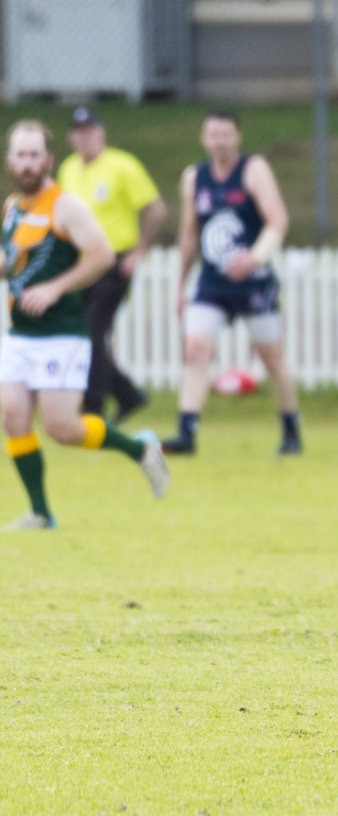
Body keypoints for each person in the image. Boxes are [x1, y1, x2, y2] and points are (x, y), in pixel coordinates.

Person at [1, 120, 169, 529]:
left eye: (34, 155)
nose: (27, 164)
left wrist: (56, 288)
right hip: (20, 333)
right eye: (20, 155)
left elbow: (101, 256)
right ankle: (41, 513)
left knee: (62, 428)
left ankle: (139, 448)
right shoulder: (12, 207)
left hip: (62, 333)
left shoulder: (65, 206)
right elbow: (13, 262)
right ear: (10, 160)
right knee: (12, 417)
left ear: (48, 160)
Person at [162, 110, 300, 456]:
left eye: (226, 134)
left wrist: (254, 258)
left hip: (254, 281)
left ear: (237, 136)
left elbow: (278, 221)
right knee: (195, 349)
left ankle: (290, 428)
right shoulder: (194, 178)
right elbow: (188, 234)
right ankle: (186, 432)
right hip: (212, 281)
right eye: (213, 134)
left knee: (271, 355)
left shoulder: (254, 170)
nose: (220, 141)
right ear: (204, 138)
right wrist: (179, 286)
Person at [56, 106, 166, 425]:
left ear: (101, 132)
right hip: (82, 263)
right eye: (78, 131)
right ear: (71, 137)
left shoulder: (122, 166)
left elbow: (155, 209)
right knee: (84, 332)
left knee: (92, 330)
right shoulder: (69, 169)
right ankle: (127, 393)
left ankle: (93, 407)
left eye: (90, 129)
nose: (84, 136)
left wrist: (138, 251)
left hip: (113, 261)